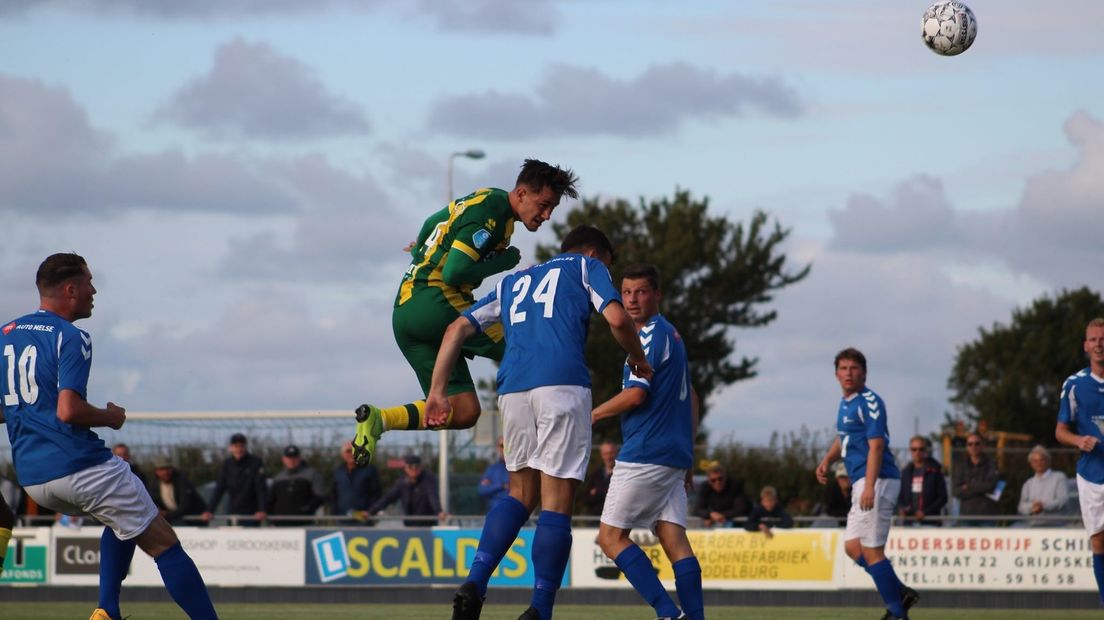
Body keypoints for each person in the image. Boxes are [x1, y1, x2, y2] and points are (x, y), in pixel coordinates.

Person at [426, 225, 652, 620]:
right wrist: (637, 358)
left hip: (513, 391)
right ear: (596, 255)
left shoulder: (514, 280)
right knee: (556, 504)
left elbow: (456, 328)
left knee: (519, 493)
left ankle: (475, 582)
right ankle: (540, 609)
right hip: (561, 387)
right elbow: (617, 319)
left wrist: (437, 391)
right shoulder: (586, 267)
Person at [0, 253, 217, 620]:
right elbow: (68, 410)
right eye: (88, 282)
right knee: (165, 545)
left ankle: (108, 611)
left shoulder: (6, 334)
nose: (94, 290)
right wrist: (111, 417)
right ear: (71, 289)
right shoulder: (71, 337)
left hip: (34, 479)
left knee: (120, 518)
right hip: (80, 465)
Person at [351, 159, 580, 466]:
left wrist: (422, 250)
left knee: (464, 410)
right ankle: (526, 449)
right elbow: (454, 273)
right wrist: (504, 262)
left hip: (405, 314)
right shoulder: (494, 213)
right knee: (526, 346)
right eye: (544, 205)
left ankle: (379, 420)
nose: (547, 215)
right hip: (436, 303)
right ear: (522, 193)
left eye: (552, 208)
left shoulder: (482, 198)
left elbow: (434, 221)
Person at [588, 263, 703, 620]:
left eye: (641, 292)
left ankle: (669, 614)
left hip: (646, 453)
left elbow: (636, 396)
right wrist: (688, 452)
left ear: (657, 295)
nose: (632, 300)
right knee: (673, 539)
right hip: (672, 455)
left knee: (610, 538)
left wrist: (590, 415)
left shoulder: (650, 336)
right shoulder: (672, 333)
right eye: (626, 293)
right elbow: (694, 397)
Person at [815, 348, 917, 620]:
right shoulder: (845, 403)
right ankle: (899, 593)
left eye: (854, 368)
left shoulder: (870, 401)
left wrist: (870, 485)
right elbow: (844, 438)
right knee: (853, 548)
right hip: (863, 480)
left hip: (877, 479)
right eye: (844, 368)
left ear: (864, 372)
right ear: (836, 373)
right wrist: (827, 459)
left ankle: (897, 612)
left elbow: (877, 446)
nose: (849, 373)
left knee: (872, 551)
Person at [1056, 317, 1104, 605]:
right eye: (1094, 339)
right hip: (1091, 475)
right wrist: (1078, 441)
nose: (1100, 344)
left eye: (1103, 339)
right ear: (1086, 345)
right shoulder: (1075, 384)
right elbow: (1060, 430)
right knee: (1099, 541)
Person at [201, 433, 267, 526]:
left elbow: (261, 489)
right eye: (236, 446)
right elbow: (219, 489)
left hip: (251, 513)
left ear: (245, 447)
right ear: (231, 448)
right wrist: (209, 510)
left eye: (241, 446)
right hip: (233, 511)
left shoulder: (255, 463)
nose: (239, 449)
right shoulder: (227, 464)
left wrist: (262, 510)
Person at [366, 454, 446, 527]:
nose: (414, 469)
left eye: (417, 466)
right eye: (410, 467)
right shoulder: (402, 483)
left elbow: (432, 496)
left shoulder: (428, 480)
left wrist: (438, 511)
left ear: (421, 467)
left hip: (427, 526)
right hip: (410, 525)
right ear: (405, 468)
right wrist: (371, 511)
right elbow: (388, 498)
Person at [268, 445, 326, 527]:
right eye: (289, 457)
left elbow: (320, 496)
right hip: (280, 525)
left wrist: (307, 508)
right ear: (284, 459)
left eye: (295, 457)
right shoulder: (278, 478)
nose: (292, 460)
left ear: (300, 458)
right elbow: (271, 499)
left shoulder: (312, 474)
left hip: (304, 524)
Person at [897, 436, 948, 527]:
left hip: (930, 522)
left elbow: (943, 498)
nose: (917, 452)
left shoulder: (935, 471)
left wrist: (925, 512)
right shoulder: (905, 472)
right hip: (909, 522)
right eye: (914, 449)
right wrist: (902, 509)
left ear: (926, 450)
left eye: (921, 449)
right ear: (910, 450)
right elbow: (901, 496)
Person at [952, 432, 999, 523]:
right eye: (970, 444)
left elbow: (991, 487)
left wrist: (968, 486)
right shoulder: (960, 465)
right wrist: (982, 489)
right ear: (966, 447)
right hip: (966, 517)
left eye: (977, 443)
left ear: (982, 445)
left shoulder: (991, 464)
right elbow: (955, 491)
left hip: (987, 516)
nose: (973, 446)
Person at [1016, 444, 1069, 526]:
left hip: (1055, 526)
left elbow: (1062, 500)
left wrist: (1043, 506)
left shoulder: (1059, 477)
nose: (1039, 463)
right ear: (1031, 464)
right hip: (1034, 526)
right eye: (1035, 461)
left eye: (1041, 460)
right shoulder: (1028, 483)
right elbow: (1021, 506)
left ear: (1048, 461)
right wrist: (1032, 507)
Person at [331, 440, 382, 523]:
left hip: (364, 519)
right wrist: (334, 513)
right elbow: (334, 494)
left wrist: (371, 511)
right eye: (348, 451)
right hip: (342, 519)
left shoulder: (369, 470)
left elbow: (376, 494)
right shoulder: (338, 471)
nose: (352, 453)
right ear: (343, 454)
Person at [148, 460, 208, 527]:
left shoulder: (182, 482)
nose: (165, 472)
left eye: (168, 468)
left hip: (193, 519)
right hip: (173, 520)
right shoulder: (154, 485)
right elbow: (153, 500)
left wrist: (167, 514)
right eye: (162, 469)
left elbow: (186, 505)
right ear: (156, 471)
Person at [693, 463, 751, 527]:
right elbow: (697, 510)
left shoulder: (736, 486)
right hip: (719, 520)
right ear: (709, 481)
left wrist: (718, 516)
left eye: (720, 479)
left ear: (725, 477)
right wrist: (710, 514)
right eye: (713, 480)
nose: (717, 482)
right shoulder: (704, 487)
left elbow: (741, 510)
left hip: (739, 522)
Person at [579, 441, 618, 516]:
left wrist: (597, 493)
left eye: (611, 453)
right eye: (605, 454)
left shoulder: (621, 474)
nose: (608, 457)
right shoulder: (596, 474)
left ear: (616, 453)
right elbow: (585, 499)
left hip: (614, 520)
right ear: (601, 455)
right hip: (594, 521)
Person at [478, 438, 510, 512]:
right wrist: (501, 486)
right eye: (502, 445)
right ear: (498, 448)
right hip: (496, 512)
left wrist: (493, 486)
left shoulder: (520, 469)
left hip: (515, 513)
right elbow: (482, 490)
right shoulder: (492, 470)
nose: (505, 448)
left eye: (508, 445)